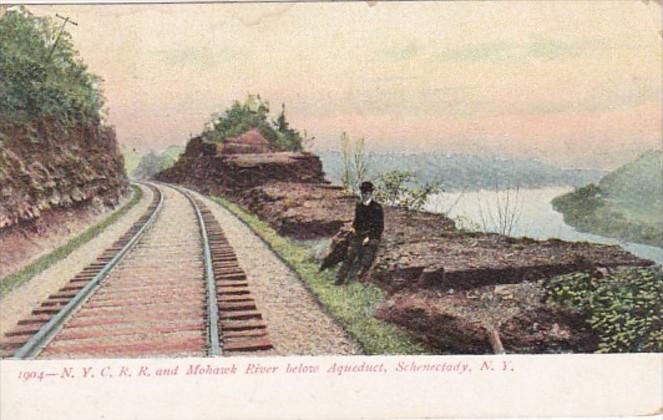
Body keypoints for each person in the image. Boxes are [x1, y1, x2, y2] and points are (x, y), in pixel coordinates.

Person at [335, 181, 384, 285]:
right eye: (363, 193)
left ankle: (358, 280)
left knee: (368, 252)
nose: (364, 195)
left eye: (366, 193)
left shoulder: (377, 208)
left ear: (371, 193)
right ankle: (339, 280)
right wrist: (353, 228)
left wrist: (369, 237)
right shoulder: (359, 206)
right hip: (359, 234)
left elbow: (379, 227)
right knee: (350, 254)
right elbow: (356, 221)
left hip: (372, 235)